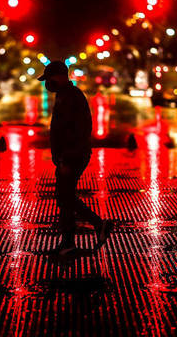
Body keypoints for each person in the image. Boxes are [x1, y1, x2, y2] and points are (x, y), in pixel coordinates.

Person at [38, 60, 113, 255]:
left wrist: (66, 158)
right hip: (69, 156)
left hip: (72, 156)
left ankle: (96, 226)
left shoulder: (71, 97)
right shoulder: (65, 95)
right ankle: (69, 241)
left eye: (49, 79)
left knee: (65, 197)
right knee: (65, 198)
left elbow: (76, 130)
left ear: (59, 77)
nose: (47, 84)